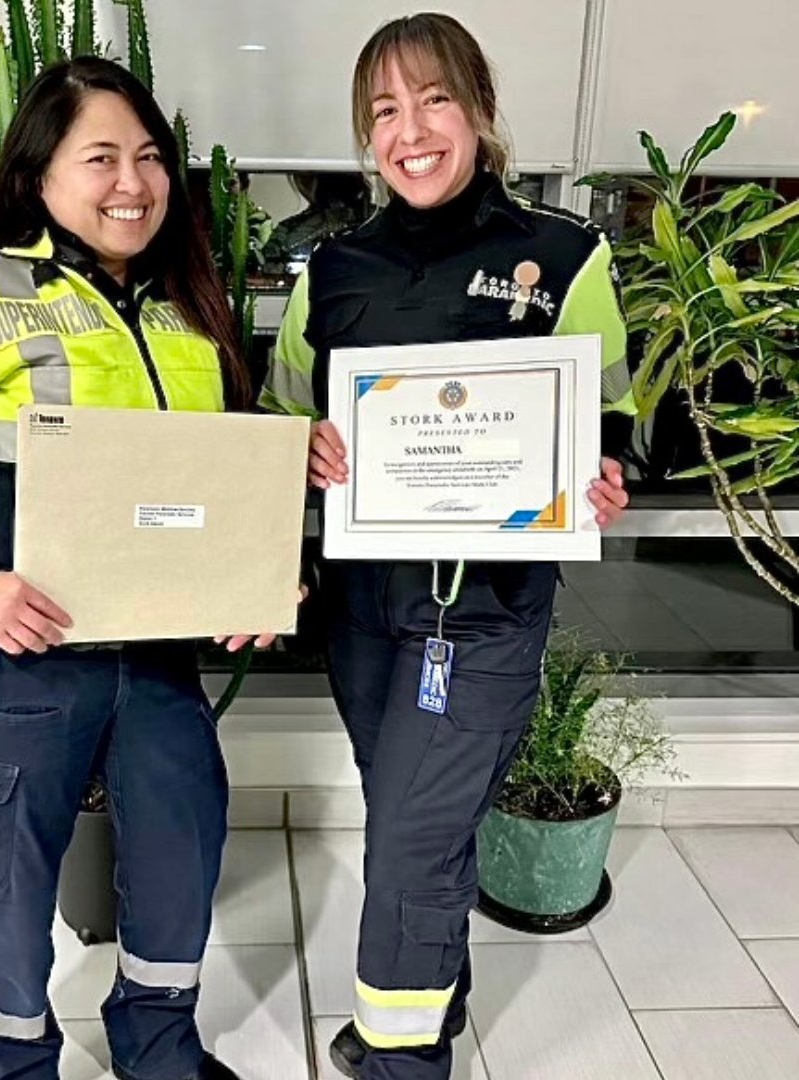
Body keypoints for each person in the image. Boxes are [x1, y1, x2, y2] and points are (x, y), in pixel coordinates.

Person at [0, 57, 272, 1080]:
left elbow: (208, 485)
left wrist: (253, 579)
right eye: (102, 157)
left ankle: (158, 1046)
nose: (134, 182)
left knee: (179, 863)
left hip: (156, 664)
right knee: (13, 897)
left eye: (151, 158)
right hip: (12, 667)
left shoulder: (185, 313)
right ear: (38, 176)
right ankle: (13, 1065)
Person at [261, 14, 633, 1080]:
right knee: (407, 819)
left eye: (432, 100)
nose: (410, 130)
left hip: (484, 612)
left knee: (414, 847)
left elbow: (611, 415)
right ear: (365, 136)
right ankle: (440, 999)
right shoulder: (330, 268)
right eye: (385, 111)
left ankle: (399, 1059)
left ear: (478, 109)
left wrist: (607, 472)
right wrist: (306, 452)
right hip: (365, 611)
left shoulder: (562, 255)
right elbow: (288, 420)